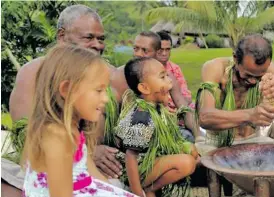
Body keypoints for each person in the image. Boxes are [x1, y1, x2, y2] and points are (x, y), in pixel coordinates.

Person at [3, 5, 128, 194]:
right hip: (49, 167)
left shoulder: (109, 74)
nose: (97, 44)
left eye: (101, 38)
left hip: (89, 169)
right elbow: (27, 133)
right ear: (62, 36)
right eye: (89, 37)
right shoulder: (34, 72)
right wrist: (89, 152)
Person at [21, 44, 136, 197]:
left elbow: (92, 172)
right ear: (67, 90)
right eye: (99, 90)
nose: (106, 98)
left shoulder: (72, 128)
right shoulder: (57, 136)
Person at [195, 34, 274, 155]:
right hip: (216, 144)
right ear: (236, 59)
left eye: (258, 76)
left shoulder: (271, 70)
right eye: (248, 75)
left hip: (253, 141)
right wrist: (250, 116)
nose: (253, 81)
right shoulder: (216, 68)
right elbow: (204, 117)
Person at [114, 57, 198, 197]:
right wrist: (136, 192)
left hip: (149, 162)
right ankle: (146, 190)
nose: (170, 80)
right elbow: (131, 156)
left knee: (191, 151)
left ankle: (152, 190)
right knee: (186, 162)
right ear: (145, 88)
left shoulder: (156, 108)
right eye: (163, 77)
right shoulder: (142, 116)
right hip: (131, 172)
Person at [155, 31, 200, 142]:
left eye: (168, 49)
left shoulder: (174, 69)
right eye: (161, 50)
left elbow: (186, 96)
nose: (164, 53)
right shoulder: (148, 70)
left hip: (178, 109)